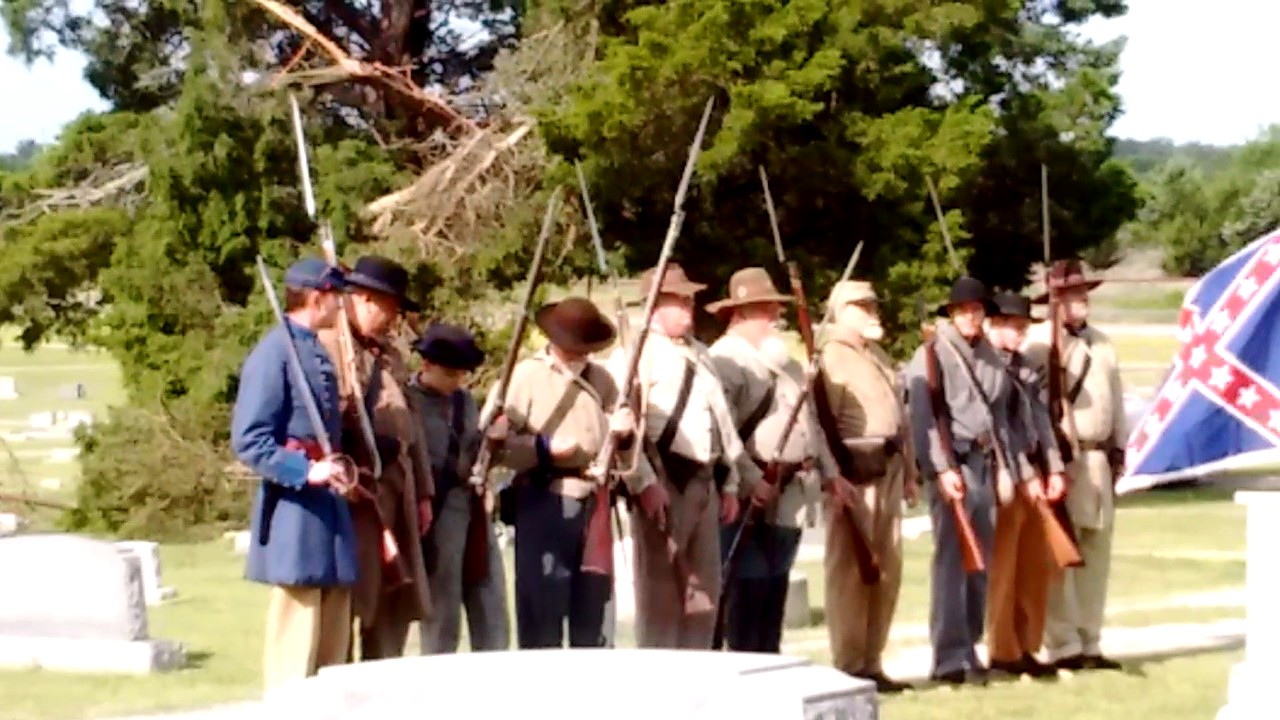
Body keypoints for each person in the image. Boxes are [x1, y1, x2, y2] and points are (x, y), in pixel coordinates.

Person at [608, 263, 763, 649]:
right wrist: (643, 484)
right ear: (655, 305)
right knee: (660, 598)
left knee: (703, 596)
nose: (688, 308)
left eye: (689, 300)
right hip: (664, 483)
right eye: (679, 301)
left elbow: (722, 424)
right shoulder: (633, 355)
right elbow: (625, 429)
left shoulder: (700, 353)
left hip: (705, 482)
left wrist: (730, 483)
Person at [231, 257, 357, 693]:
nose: (341, 307)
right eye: (337, 298)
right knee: (296, 634)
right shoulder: (272, 354)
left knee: (333, 635)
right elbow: (250, 440)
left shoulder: (313, 348)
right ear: (317, 297)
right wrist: (306, 470)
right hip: (295, 508)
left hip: (329, 503)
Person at [483, 296, 637, 648]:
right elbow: (495, 443)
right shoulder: (525, 376)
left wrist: (625, 432)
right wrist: (543, 449)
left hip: (595, 500)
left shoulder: (603, 379)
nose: (581, 354)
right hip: (544, 499)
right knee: (542, 608)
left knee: (596, 609)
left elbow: (627, 447)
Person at [904, 276, 1031, 686]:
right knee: (951, 564)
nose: (971, 317)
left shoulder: (991, 357)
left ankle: (970, 648)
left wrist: (1012, 468)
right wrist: (940, 469)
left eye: (978, 311)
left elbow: (999, 417)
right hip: (954, 463)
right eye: (964, 311)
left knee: (981, 563)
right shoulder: (931, 356)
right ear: (952, 314)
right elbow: (923, 418)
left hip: (986, 462)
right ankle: (947, 657)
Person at [706, 267, 833, 654]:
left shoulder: (784, 360)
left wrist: (831, 473)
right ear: (739, 314)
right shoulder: (725, 360)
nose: (775, 319)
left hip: (789, 491)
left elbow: (810, 421)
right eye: (764, 310)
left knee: (774, 588)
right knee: (748, 591)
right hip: (751, 494)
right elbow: (723, 433)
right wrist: (750, 482)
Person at [319, 254, 434, 660]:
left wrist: (423, 493)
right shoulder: (330, 345)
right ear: (365, 300)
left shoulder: (389, 354)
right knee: (356, 597)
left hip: (398, 485)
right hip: (359, 490)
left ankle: (384, 682)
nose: (393, 318)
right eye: (389, 308)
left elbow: (413, 427)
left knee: (394, 601)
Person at [1024, 260, 1127, 672]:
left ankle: (1090, 640)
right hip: (1066, 458)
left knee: (1095, 553)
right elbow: (1038, 402)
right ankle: (1062, 642)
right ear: (1054, 301)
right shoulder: (1039, 342)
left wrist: (1121, 449)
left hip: (1100, 457)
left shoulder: (1103, 343)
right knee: (1060, 553)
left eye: (1082, 293)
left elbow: (1115, 400)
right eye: (1069, 294)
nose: (1079, 301)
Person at [819, 279, 918, 693]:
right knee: (849, 572)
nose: (872, 311)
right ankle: (849, 662)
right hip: (855, 473)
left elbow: (901, 417)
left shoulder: (875, 354)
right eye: (862, 305)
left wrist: (911, 472)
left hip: (890, 468)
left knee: (886, 570)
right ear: (842, 311)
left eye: (872, 304)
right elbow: (824, 424)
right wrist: (833, 477)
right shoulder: (832, 357)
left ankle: (872, 660)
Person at [407, 323, 511, 653]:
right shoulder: (408, 402)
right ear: (426, 365)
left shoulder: (464, 402)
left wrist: (493, 440)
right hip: (434, 511)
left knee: (490, 599)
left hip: (471, 506)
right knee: (441, 608)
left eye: (461, 374)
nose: (457, 381)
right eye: (450, 373)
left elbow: (474, 450)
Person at [984, 290, 1067, 679]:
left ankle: (1027, 644)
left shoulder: (1025, 367)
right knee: (1004, 568)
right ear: (995, 325)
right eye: (1013, 327)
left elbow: (1041, 423)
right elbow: (999, 430)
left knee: (1034, 567)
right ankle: (1002, 649)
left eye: (1023, 327)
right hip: (1007, 475)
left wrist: (1053, 467)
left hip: (1033, 472)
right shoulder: (987, 368)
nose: (1020, 334)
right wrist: (1028, 476)